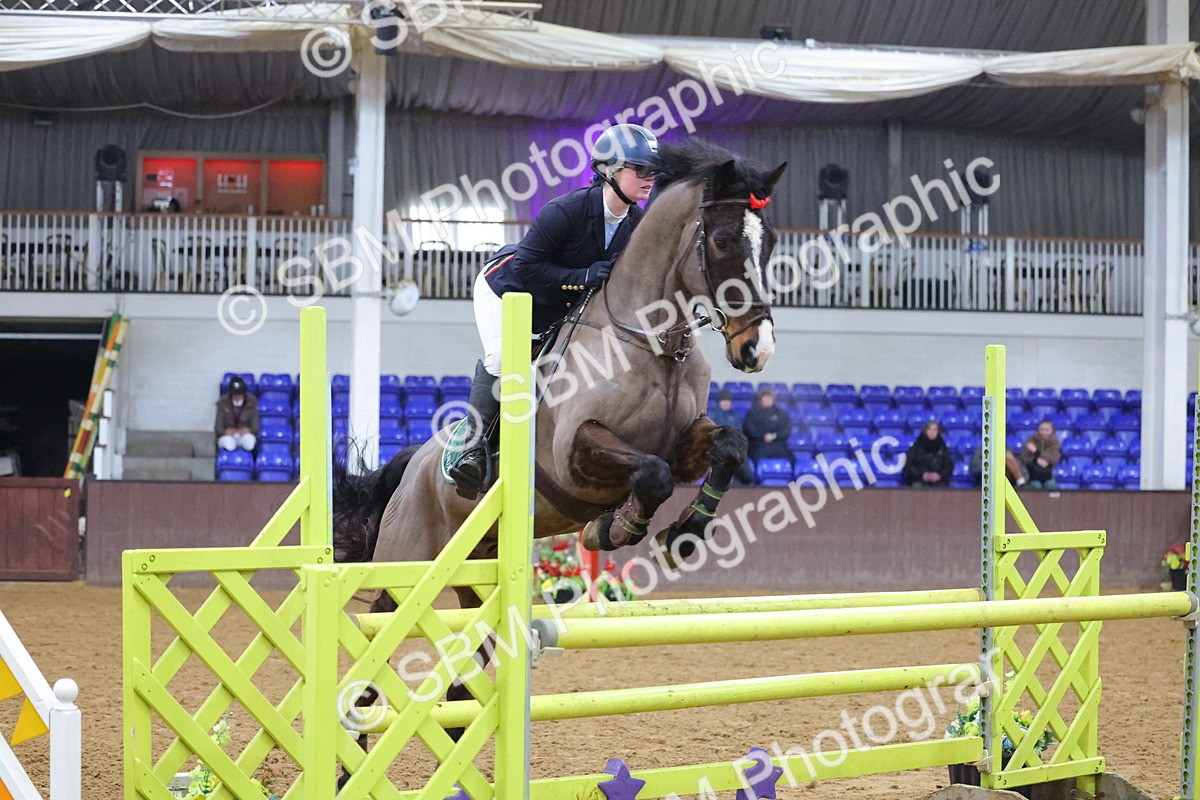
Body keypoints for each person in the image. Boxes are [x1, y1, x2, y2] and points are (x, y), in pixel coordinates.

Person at [449, 123, 659, 497]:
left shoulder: (636, 224)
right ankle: (471, 448)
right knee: (503, 358)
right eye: (641, 169)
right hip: (506, 289)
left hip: (555, 307)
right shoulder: (567, 210)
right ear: (610, 170)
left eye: (653, 172)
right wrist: (583, 276)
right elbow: (528, 267)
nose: (649, 179)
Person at [710, 389, 755, 485]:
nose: (726, 403)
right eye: (723, 400)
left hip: (735, 449)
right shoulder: (712, 415)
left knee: (747, 475)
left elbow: (740, 433)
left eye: (728, 401)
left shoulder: (735, 416)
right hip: (719, 451)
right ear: (719, 402)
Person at [742, 388, 794, 466]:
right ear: (760, 399)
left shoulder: (781, 414)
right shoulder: (752, 414)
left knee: (791, 459)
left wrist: (773, 436)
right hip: (757, 445)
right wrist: (763, 436)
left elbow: (785, 430)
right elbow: (749, 430)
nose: (767, 400)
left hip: (777, 444)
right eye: (765, 397)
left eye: (770, 398)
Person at [215, 376, 259, 453]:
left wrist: (248, 430)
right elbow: (218, 427)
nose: (237, 397)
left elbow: (256, 426)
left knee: (249, 443)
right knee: (229, 445)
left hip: (244, 435)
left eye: (239, 394)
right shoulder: (222, 404)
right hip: (228, 435)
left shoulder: (251, 403)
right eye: (235, 395)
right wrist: (225, 432)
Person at [904, 420, 953, 487]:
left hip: (939, 481)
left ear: (938, 432)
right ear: (925, 431)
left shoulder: (943, 447)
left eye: (935, 430)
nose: (932, 432)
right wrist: (921, 475)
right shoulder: (916, 447)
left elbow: (949, 465)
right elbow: (908, 466)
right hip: (918, 480)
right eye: (929, 430)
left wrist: (940, 475)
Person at [1021, 419, 1061, 489]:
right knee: (1036, 485)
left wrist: (1036, 452)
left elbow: (1053, 458)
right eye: (1041, 429)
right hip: (1033, 474)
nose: (1044, 432)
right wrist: (1036, 460)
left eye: (1047, 430)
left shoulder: (1055, 443)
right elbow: (1025, 457)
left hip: (1048, 474)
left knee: (1050, 485)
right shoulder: (1031, 440)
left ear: (1052, 431)